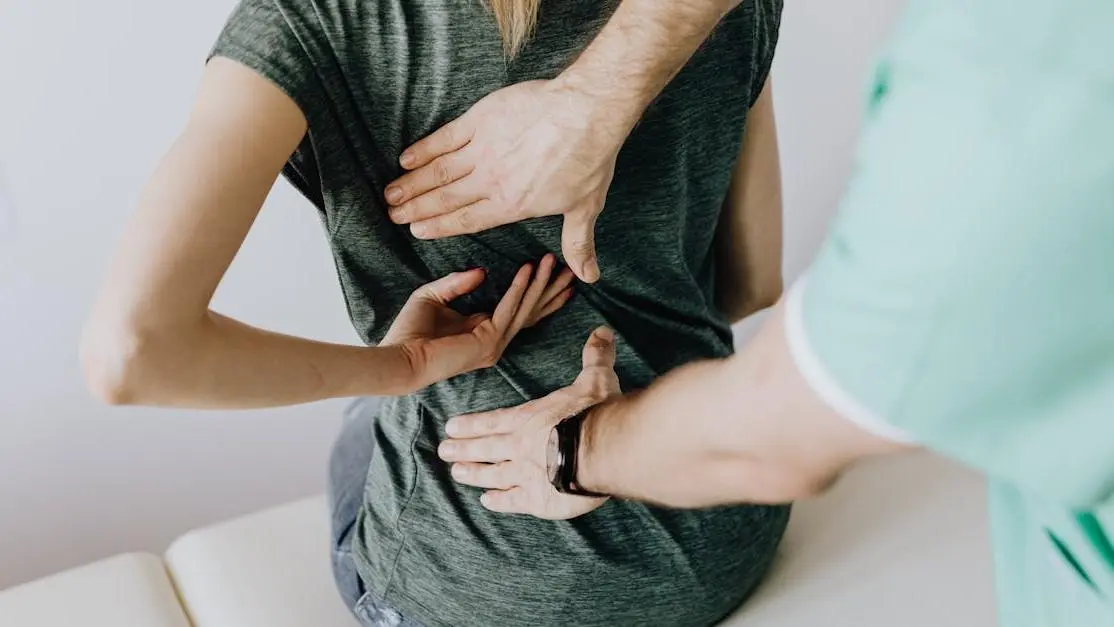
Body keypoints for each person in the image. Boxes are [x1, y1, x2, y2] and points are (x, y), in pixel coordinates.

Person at [81, 0, 790, 625]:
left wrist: (403, 364)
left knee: (364, 418)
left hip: (494, 589)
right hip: (723, 525)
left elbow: (134, 352)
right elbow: (751, 284)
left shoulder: (308, 19)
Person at [427, 1, 1114, 626]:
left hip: (502, 582)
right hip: (731, 537)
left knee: (363, 432)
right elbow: (753, 285)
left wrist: (573, 447)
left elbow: (778, 435)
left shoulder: (1018, 98)